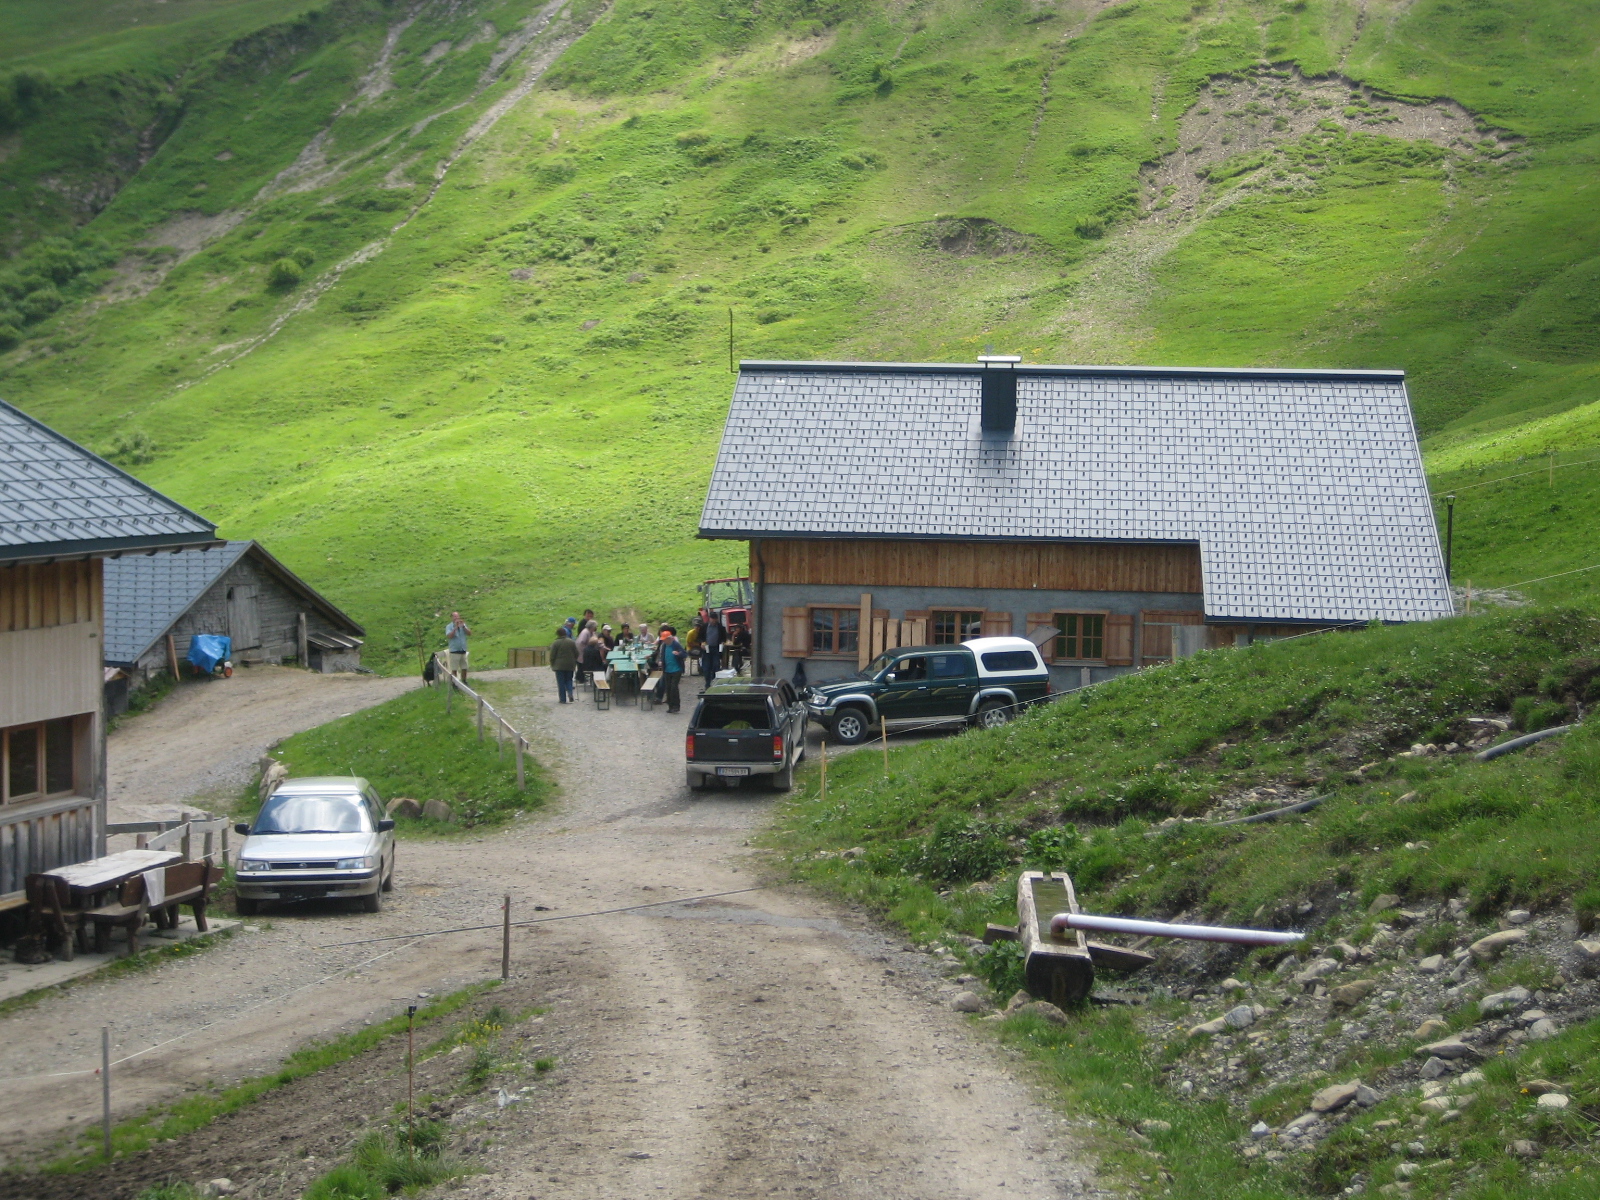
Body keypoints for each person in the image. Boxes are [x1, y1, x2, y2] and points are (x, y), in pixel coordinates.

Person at [657, 625, 688, 713]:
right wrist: (661, 661)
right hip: (667, 670)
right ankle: (671, 706)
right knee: (668, 688)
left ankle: (676, 706)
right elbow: (662, 656)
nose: (663, 641)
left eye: (664, 639)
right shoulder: (664, 646)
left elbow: (684, 654)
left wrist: (678, 654)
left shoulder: (675, 644)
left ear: (669, 638)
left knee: (674, 688)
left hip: (676, 670)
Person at [548, 625, 578, 703]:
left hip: (559, 666)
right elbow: (576, 653)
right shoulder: (571, 642)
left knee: (561, 682)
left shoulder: (555, 643)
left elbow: (552, 655)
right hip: (570, 665)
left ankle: (562, 699)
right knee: (569, 680)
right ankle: (570, 693)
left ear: (558, 634)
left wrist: (552, 664)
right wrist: (574, 661)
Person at [444, 611, 472, 681]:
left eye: (457, 616)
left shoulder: (463, 625)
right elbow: (449, 636)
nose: (456, 618)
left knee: (464, 667)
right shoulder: (449, 626)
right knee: (454, 668)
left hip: (462, 649)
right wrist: (455, 628)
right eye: (455, 616)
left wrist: (464, 627)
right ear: (452, 618)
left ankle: (464, 681)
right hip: (454, 651)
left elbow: (469, 633)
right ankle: (454, 683)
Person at [701, 615, 725, 689]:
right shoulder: (704, 627)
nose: (714, 621)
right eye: (712, 619)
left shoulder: (720, 627)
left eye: (715, 619)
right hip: (707, 648)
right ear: (709, 619)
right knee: (706, 667)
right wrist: (702, 643)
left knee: (716, 665)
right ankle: (707, 683)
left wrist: (722, 642)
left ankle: (714, 681)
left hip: (716, 648)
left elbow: (724, 637)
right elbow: (700, 637)